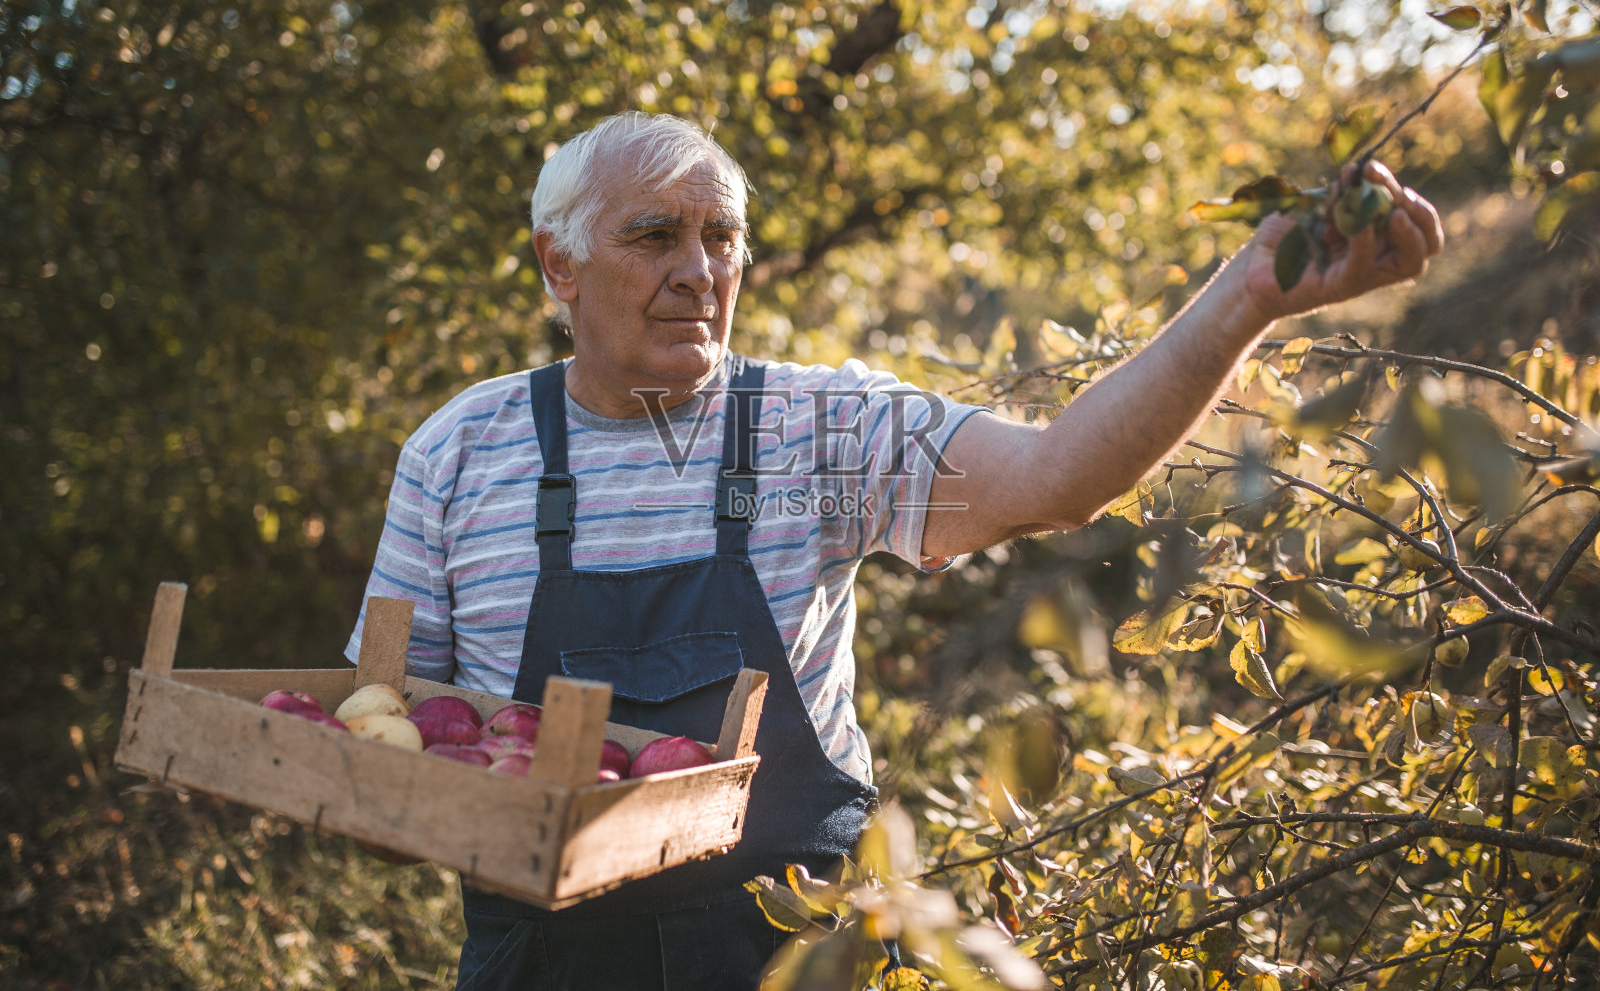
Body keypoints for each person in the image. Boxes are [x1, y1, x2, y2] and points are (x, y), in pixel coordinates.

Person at [345, 111, 1443, 989]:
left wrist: (1244, 299)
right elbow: (384, 731)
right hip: (542, 967)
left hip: (790, 959)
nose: (699, 269)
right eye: (653, 236)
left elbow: (1054, 476)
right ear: (558, 265)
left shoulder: (818, 427)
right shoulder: (459, 451)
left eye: (720, 236)